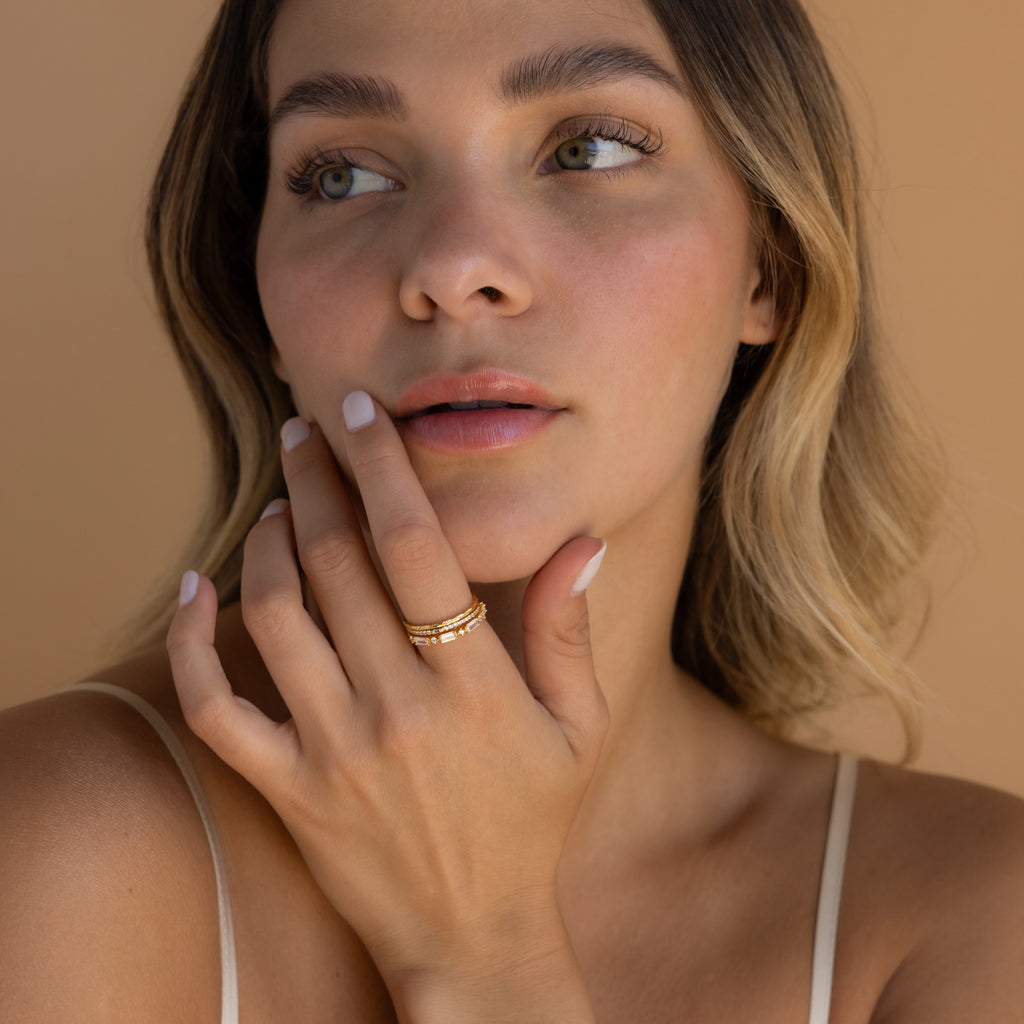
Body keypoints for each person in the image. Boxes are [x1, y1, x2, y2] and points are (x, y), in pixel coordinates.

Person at [2, 0, 1023, 1020]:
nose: (452, 270)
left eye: (587, 149)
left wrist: (487, 959)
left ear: (771, 263)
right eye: (341, 173)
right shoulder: (54, 838)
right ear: (257, 291)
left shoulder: (971, 917)